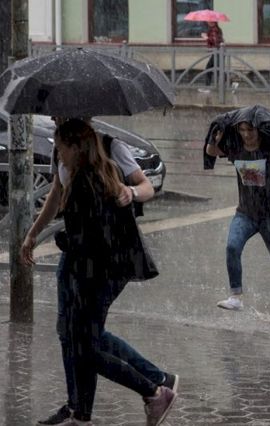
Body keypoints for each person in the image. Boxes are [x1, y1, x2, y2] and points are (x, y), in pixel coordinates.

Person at [22, 118, 178, 426]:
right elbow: (57, 196)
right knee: (74, 336)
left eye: (61, 147)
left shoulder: (106, 154)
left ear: (75, 143)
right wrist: (33, 233)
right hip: (84, 262)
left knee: (85, 343)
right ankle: (80, 410)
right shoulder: (74, 158)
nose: (52, 119)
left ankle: (154, 388)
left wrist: (130, 193)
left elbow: (142, 189)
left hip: (101, 266)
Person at [204, 105, 270, 324]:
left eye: (250, 130)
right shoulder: (235, 147)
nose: (247, 134)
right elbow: (211, 152)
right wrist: (217, 137)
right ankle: (236, 296)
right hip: (246, 213)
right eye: (242, 130)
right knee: (232, 247)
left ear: (258, 129)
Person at [199, 20, 224, 92]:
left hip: (217, 52)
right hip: (218, 52)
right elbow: (218, 40)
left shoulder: (214, 30)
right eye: (208, 21)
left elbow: (215, 42)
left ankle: (208, 88)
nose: (208, 22)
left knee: (211, 69)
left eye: (209, 21)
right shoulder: (216, 29)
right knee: (218, 70)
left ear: (213, 22)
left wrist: (206, 37)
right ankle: (228, 85)